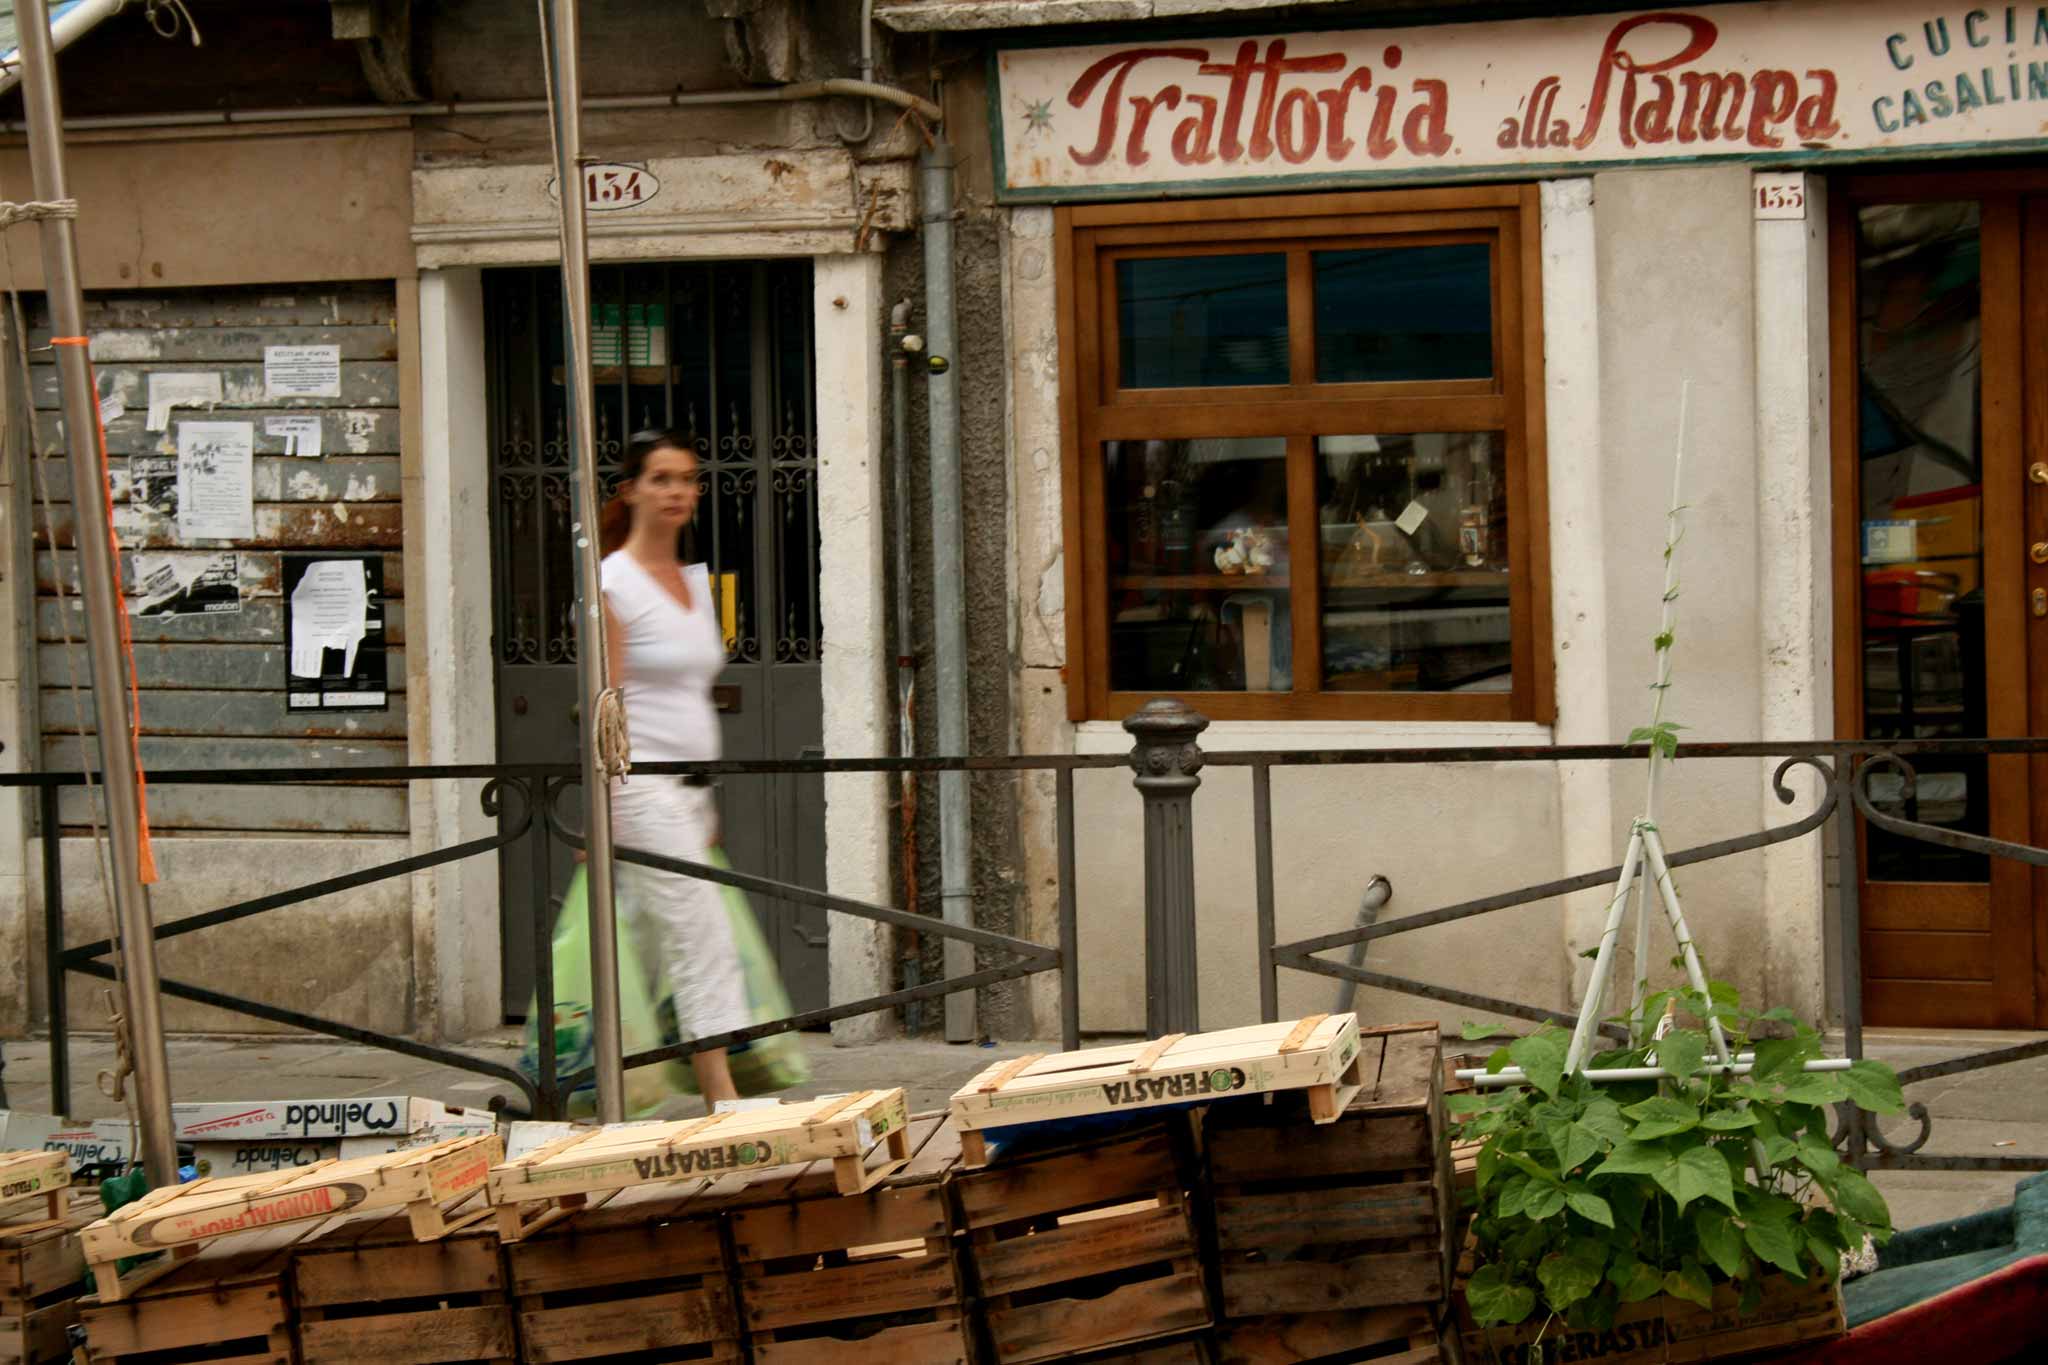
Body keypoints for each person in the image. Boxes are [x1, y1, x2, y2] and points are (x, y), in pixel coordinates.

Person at [597, 427, 744, 1107]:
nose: (678, 490)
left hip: (690, 788)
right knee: (700, 929)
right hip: (640, 784)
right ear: (630, 491)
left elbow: (691, 691)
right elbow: (606, 703)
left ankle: (601, 1081)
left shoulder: (693, 582)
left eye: (687, 477)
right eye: (661, 477)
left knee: (645, 941)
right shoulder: (611, 583)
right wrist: (601, 802)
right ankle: (723, 1096)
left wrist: (707, 800)